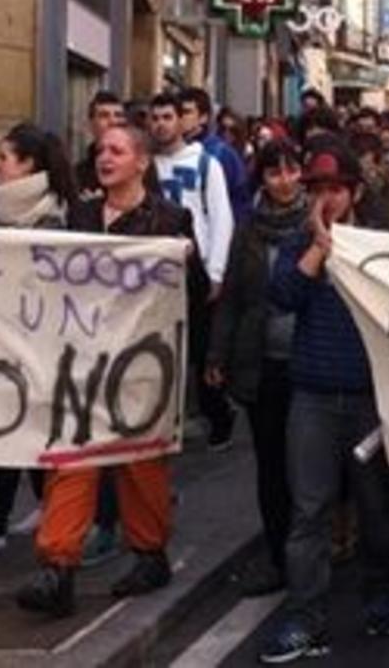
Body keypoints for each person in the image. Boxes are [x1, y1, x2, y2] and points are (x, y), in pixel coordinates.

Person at [18, 124, 190, 617]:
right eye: (100, 150)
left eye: (117, 150)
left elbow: (189, 297)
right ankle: (58, 568)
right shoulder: (81, 216)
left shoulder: (170, 220)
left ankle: (149, 553)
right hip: (84, 360)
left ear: (141, 162)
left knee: (140, 462)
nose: (104, 157)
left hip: (142, 366)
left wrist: (186, 265)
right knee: (73, 457)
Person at [256, 138, 389, 664]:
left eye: (335, 188)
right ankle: (305, 616)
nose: (326, 198)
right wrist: (319, 244)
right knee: (309, 511)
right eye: (316, 189)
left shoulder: (381, 244)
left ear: (356, 190)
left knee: (376, 509)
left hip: (368, 399)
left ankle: (381, 596)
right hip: (313, 398)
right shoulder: (300, 243)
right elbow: (282, 297)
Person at [0, 124, 76, 563]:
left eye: (5, 157)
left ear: (28, 166)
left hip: (38, 340)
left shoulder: (56, 215)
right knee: (8, 426)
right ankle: (11, 515)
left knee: (23, 427)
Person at [209, 139, 310, 598]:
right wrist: (217, 356)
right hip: (261, 363)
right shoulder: (247, 231)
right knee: (270, 467)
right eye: (274, 173)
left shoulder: (319, 224)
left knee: (306, 468)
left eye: (291, 171)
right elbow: (231, 299)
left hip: (310, 364)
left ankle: (311, 553)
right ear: (262, 179)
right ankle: (276, 557)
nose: (284, 181)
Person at [148, 93, 237, 451]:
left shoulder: (206, 163)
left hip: (194, 268)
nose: (161, 124)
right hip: (155, 272)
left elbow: (221, 218)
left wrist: (216, 271)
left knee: (201, 349)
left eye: (168, 116)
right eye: (154, 118)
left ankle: (218, 414)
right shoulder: (145, 163)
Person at [178, 87, 252, 224]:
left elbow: (239, 201)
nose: (180, 117)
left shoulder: (222, 154)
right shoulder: (166, 151)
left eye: (186, 112)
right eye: (177, 112)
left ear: (203, 117)